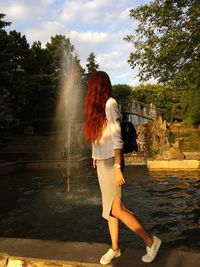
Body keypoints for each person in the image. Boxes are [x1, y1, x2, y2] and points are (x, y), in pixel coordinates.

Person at [84, 71, 161, 265]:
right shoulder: (98, 108)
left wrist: (117, 166)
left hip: (112, 161)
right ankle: (115, 249)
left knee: (117, 209)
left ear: (96, 86)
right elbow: (99, 136)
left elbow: (117, 138)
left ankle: (151, 241)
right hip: (103, 161)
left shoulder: (110, 104)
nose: (87, 88)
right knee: (110, 210)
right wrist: (95, 156)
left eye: (90, 84)